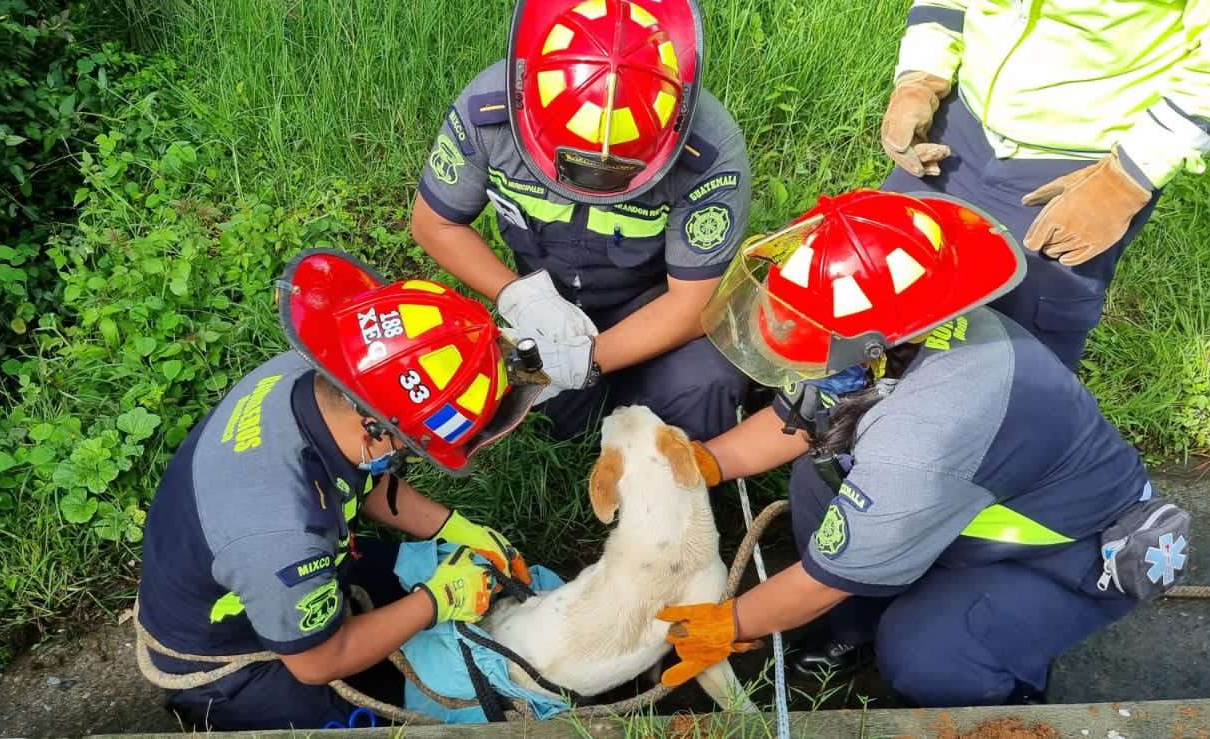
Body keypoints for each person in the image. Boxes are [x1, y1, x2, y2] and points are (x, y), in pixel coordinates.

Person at [658, 191, 1188, 707]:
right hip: (964, 500)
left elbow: (822, 579)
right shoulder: (901, 328)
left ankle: (1005, 696)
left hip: (1054, 550)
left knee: (928, 656)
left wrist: (730, 623)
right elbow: (795, 418)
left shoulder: (925, 435)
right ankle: (851, 628)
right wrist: (705, 463)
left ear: (872, 348)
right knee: (815, 480)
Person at [135, 250, 543, 730]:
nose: (406, 459)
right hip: (228, 659)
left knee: (430, 571)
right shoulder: (282, 536)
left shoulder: (318, 378)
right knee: (389, 726)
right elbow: (320, 661)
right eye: (410, 448)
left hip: (255, 568)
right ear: (373, 426)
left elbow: (367, 480)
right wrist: (437, 601)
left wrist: (460, 529)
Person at [878, 0, 1210, 367]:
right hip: (958, 125)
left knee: (1019, 348)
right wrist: (920, 78)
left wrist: (1130, 175)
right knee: (874, 282)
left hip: (1079, 166)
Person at [411, 0, 752, 441]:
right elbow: (432, 224)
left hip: (653, 313)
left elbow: (694, 303)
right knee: (559, 423)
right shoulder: (490, 113)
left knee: (705, 385)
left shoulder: (706, 152)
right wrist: (518, 295)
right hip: (543, 305)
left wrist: (588, 358)